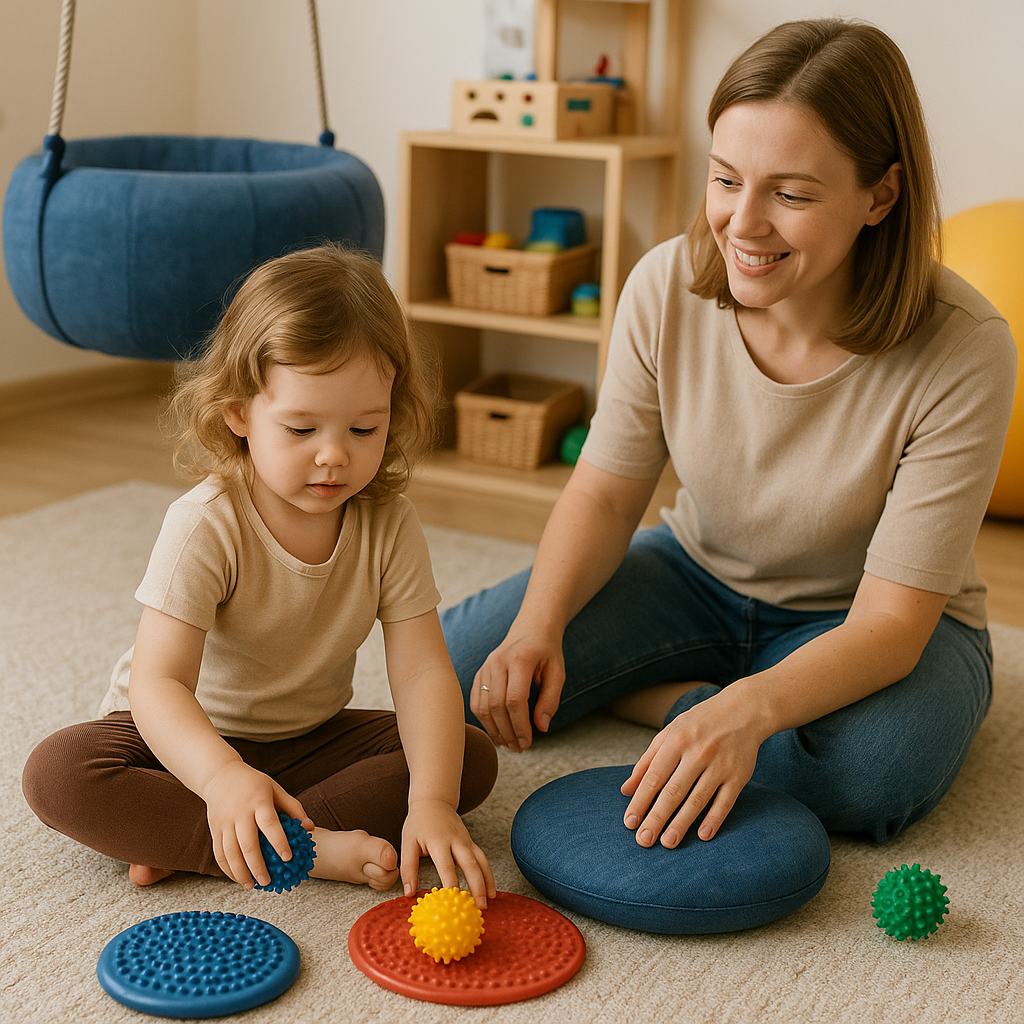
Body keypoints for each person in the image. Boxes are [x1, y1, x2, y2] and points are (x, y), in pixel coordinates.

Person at [441, 18, 1016, 853]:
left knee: (871, 773)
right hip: (698, 575)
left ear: (881, 196)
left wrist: (750, 709)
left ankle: (693, 706)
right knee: (464, 674)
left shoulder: (967, 346)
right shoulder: (663, 286)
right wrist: (538, 626)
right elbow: (605, 493)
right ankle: (711, 708)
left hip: (866, 619)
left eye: (791, 195)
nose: (742, 224)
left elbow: (892, 623)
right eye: (725, 179)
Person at [23, 244, 497, 906]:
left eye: (365, 428)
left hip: (308, 739)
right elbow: (160, 684)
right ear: (239, 412)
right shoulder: (205, 524)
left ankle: (221, 835)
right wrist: (221, 778)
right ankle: (289, 847)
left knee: (466, 757)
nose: (334, 456)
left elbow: (421, 673)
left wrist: (433, 803)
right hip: (186, 742)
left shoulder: (390, 522)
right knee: (58, 772)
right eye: (301, 428)